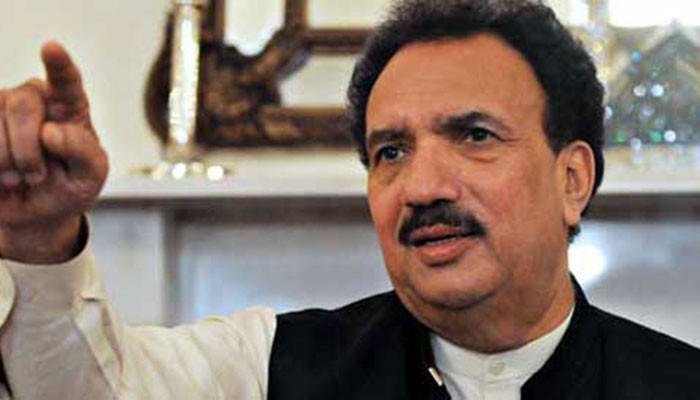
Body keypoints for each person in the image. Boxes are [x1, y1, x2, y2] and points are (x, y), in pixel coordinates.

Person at [0, 0, 698, 399]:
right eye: (391, 152)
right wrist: (37, 236)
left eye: (474, 136)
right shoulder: (270, 367)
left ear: (572, 179)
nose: (422, 188)